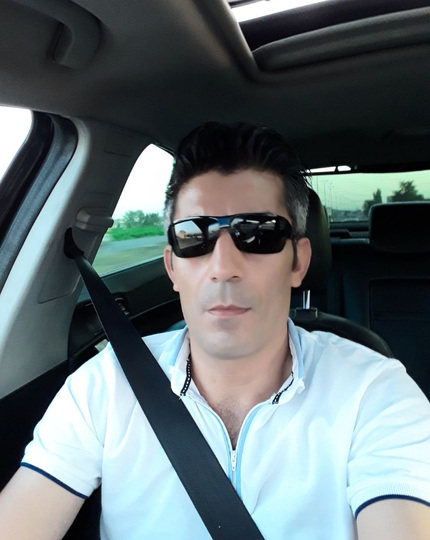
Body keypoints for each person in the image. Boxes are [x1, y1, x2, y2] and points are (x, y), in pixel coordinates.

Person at [0, 122, 430, 539]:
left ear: (299, 261)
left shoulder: (374, 392)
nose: (223, 267)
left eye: (258, 234)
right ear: (172, 267)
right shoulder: (105, 386)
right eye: (194, 236)